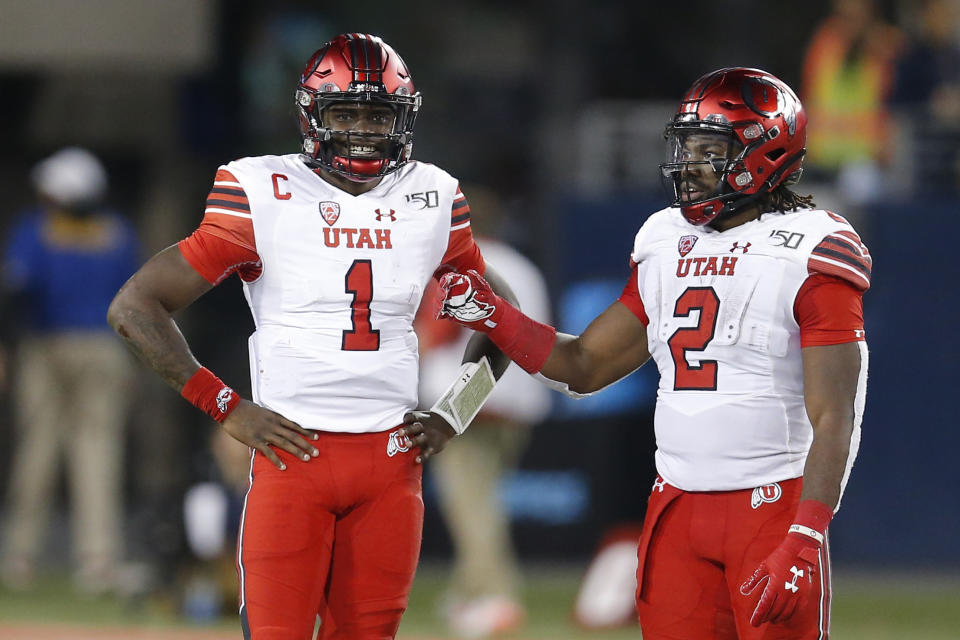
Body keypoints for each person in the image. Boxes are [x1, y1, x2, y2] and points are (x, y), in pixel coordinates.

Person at [437, 67, 870, 639]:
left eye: (709, 150)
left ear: (762, 152)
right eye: (686, 148)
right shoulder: (666, 239)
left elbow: (838, 412)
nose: (688, 166)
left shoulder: (813, 247)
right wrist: (494, 313)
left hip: (770, 504)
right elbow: (585, 366)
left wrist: (808, 532)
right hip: (677, 508)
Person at [107, 33, 513, 640]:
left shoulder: (429, 195)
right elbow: (136, 306)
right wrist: (225, 406)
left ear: (402, 118)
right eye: (344, 112)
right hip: (291, 456)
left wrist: (455, 413)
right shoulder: (262, 191)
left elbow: (502, 315)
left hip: (390, 465)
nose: (361, 130)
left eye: (377, 114)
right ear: (310, 115)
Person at [0, 147, 139, 593]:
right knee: (97, 453)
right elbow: (137, 297)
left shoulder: (38, 229)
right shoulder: (117, 232)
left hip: (47, 344)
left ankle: (19, 557)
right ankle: (97, 562)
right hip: (105, 348)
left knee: (38, 449)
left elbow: (16, 289)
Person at [414, 188, 552, 637]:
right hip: (520, 400)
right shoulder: (522, 265)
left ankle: (496, 597)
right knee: (481, 503)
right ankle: (470, 592)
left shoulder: (463, 265)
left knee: (470, 505)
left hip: (470, 400)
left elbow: (434, 335)